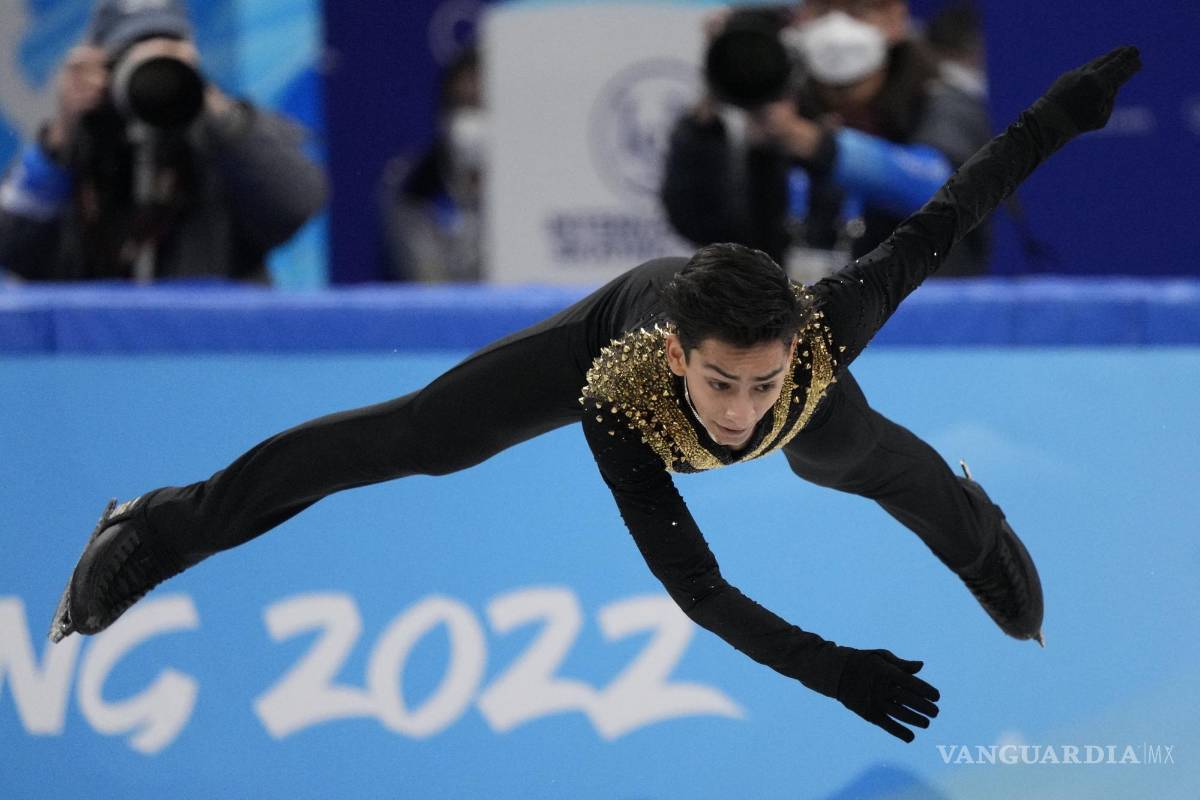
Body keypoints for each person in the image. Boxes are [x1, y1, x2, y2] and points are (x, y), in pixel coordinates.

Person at [49, 48, 1141, 743]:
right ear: (678, 361)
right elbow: (699, 589)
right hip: (607, 319)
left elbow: (960, 199)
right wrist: (832, 668)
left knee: (866, 461)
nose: (739, 412)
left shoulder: (827, 331)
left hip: (825, 389)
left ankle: (979, 533)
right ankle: (162, 523)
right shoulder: (620, 393)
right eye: (721, 382)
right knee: (421, 437)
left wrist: (1064, 109)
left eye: (761, 383)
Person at [0, 0, 327, 283]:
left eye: (169, 52)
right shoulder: (79, 142)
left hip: (211, 344)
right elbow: (11, 243)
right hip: (92, 345)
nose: (152, 72)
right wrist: (60, 135)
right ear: (102, 66)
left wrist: (208, 102)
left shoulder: (223, 135)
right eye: (132, 56)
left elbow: (296, 204)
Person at [662, 0, 992, 280]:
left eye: (857, 9)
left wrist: (812, 143)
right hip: (797, 329)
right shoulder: (778, 104)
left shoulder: (941, 102)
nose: (837, 26)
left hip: (919, 324)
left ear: (895, 17)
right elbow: (702, 225)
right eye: (822, 9)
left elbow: (937, 187)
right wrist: (718, 93)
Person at [378, 46, 486, 283]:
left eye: (483, 107)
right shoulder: (412, 183)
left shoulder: (533, 185)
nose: (471, 122)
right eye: (461, 105)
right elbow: (425, 280)